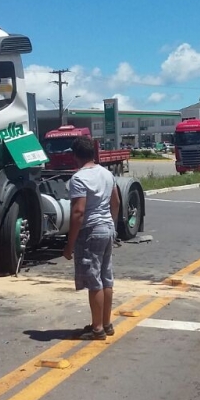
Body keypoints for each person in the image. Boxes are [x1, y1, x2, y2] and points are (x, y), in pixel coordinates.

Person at [62, 135, 120, 341]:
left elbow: (78, 212)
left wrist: (69, 245)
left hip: (91, 231)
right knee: (106, 277)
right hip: (106, 228)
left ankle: (97, 329)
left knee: (94, 279)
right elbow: (116, 202)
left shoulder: (79, 178)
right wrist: (110, 225)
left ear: (75, 155)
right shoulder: (106, 173)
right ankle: (106, 323)